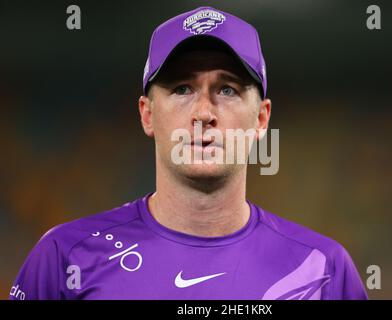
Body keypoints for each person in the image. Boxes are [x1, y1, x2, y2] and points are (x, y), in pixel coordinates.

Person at [10, 6, 368, 300]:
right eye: (182, 88)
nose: (203, 113)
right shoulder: (64, 258)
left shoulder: (324, 271)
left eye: (227, 89)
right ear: (147, 114)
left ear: (261, 119)